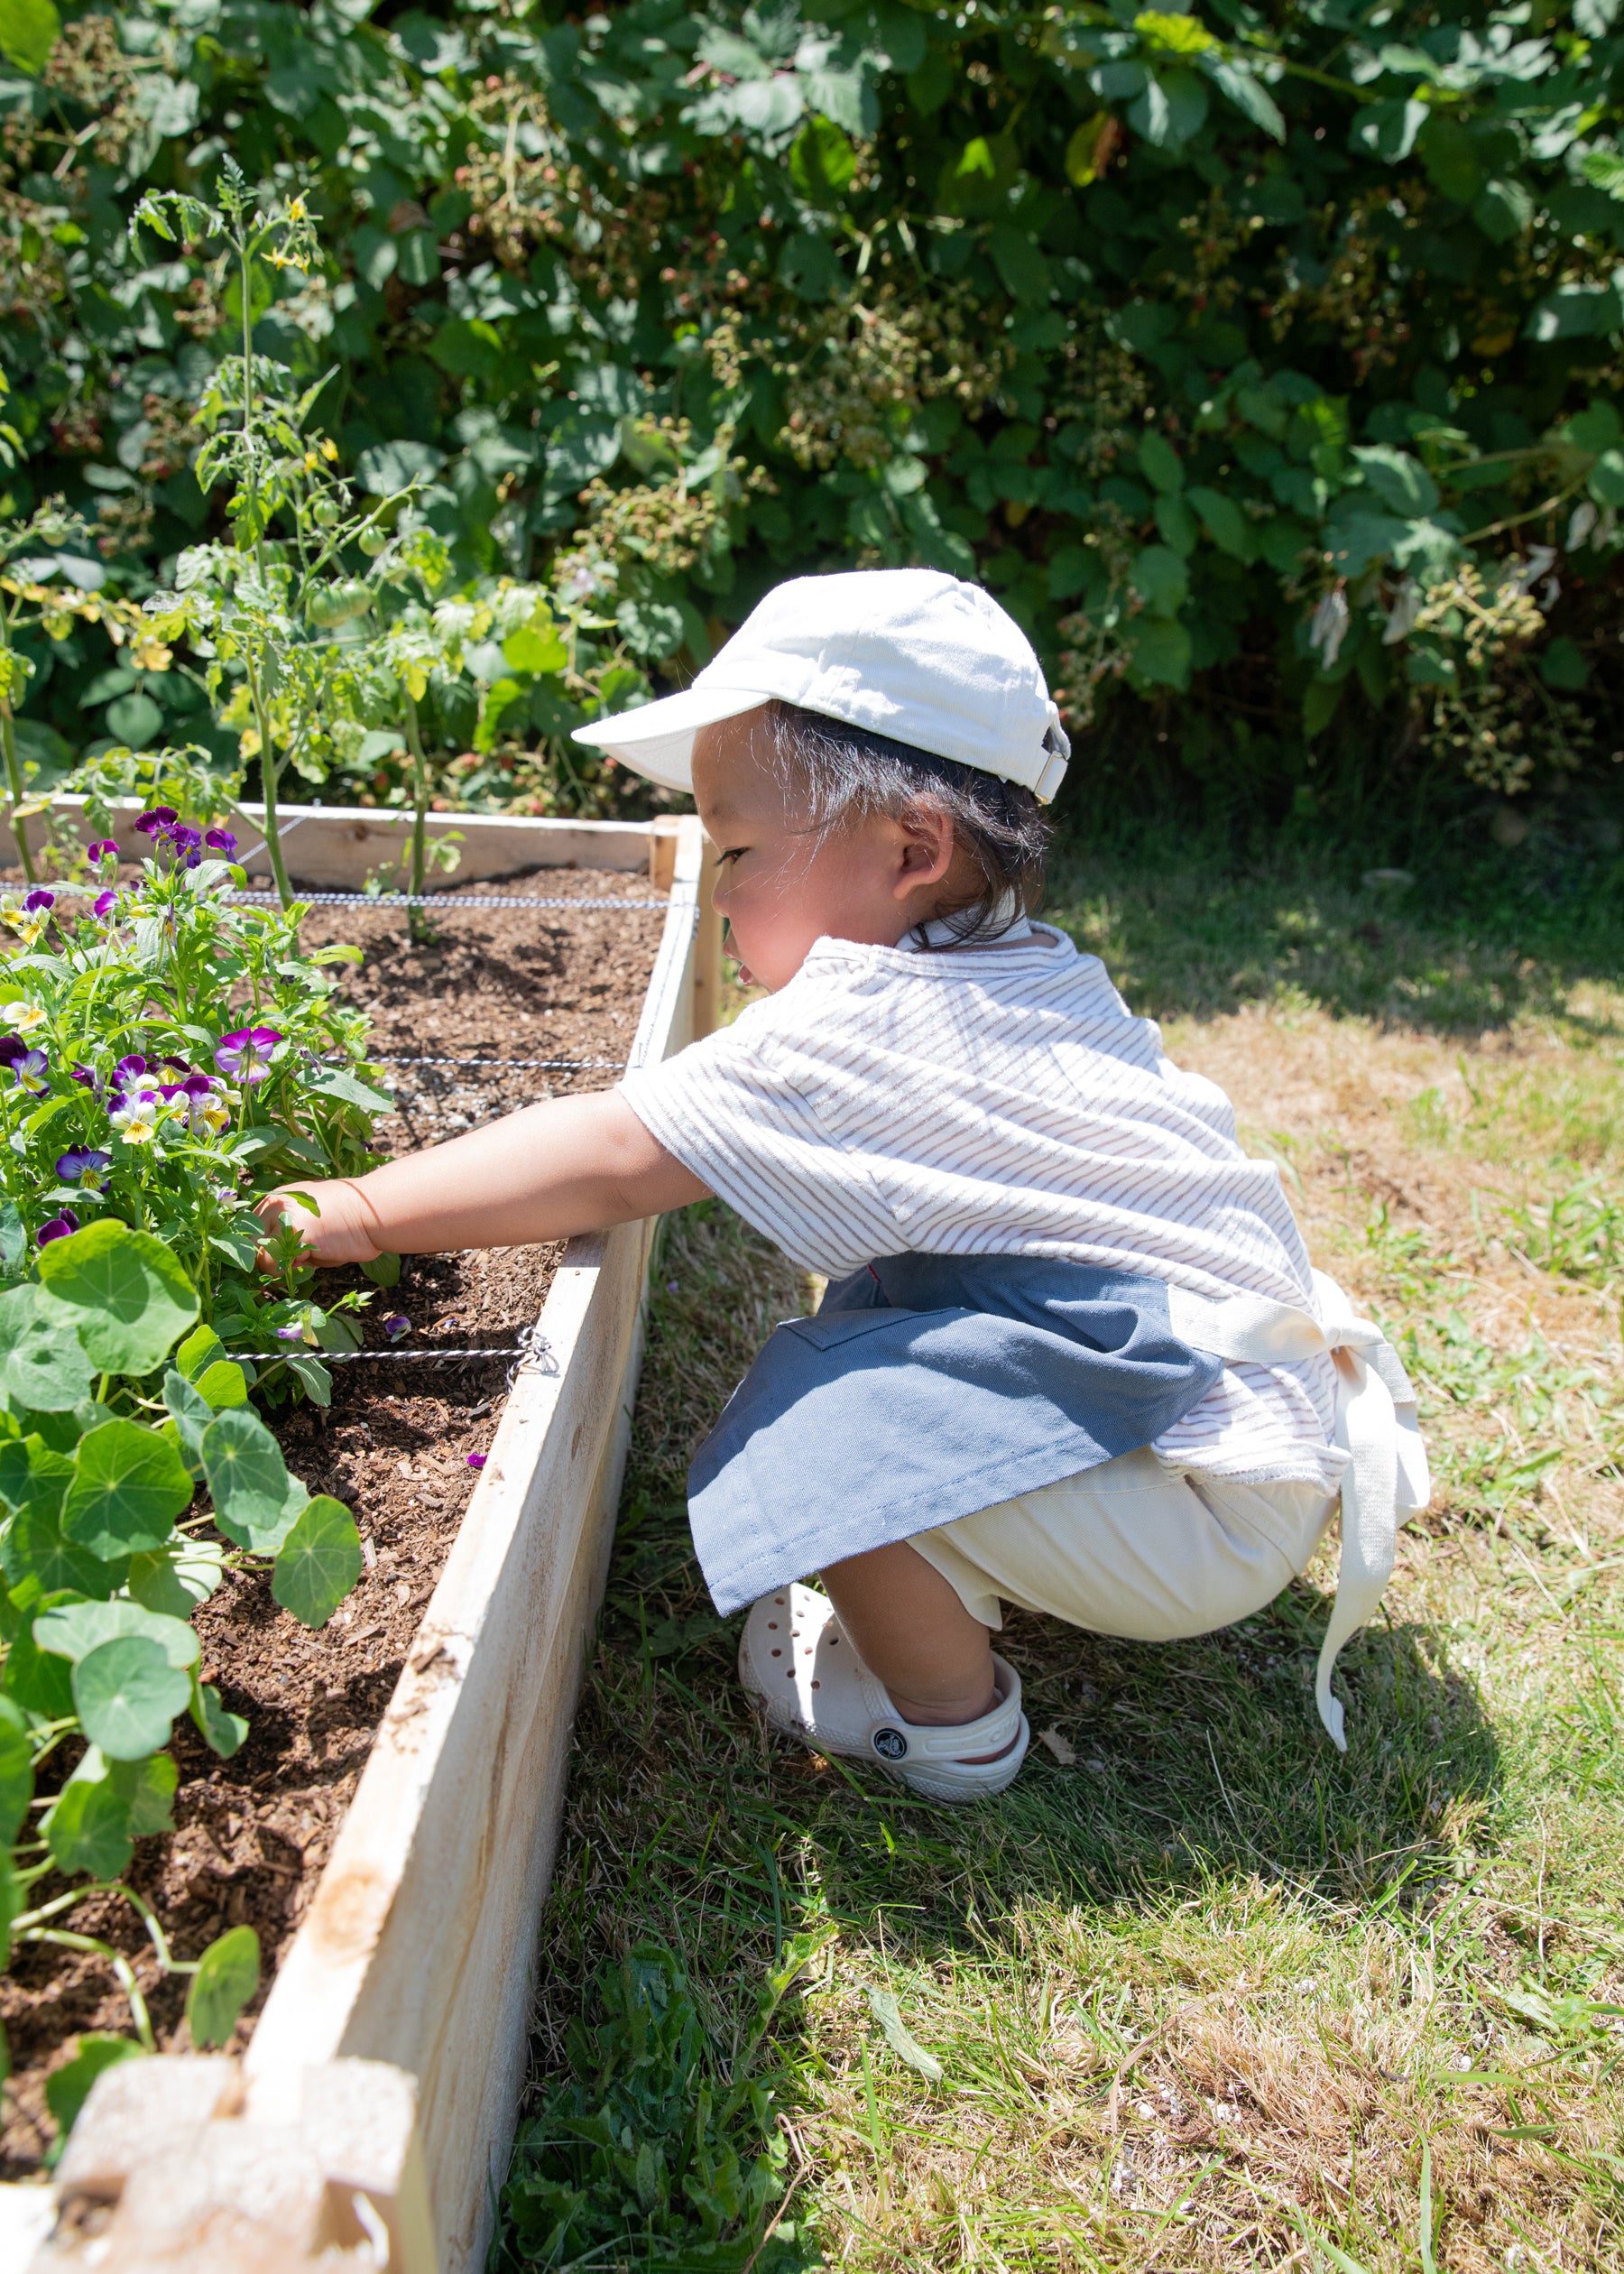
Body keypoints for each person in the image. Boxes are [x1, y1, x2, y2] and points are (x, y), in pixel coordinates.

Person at [262, 568, 1428, 1804]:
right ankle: (1007, 1552)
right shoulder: (1022, 970)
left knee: (829, 1432)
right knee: (880, 1311)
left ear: (912, 850)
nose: (719, 895)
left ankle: (942, 1725)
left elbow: (614, 1152)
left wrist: (361, 1211)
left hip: (1197, 1506)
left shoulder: (861, 1023)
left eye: (741, 852)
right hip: (1252, 1432)